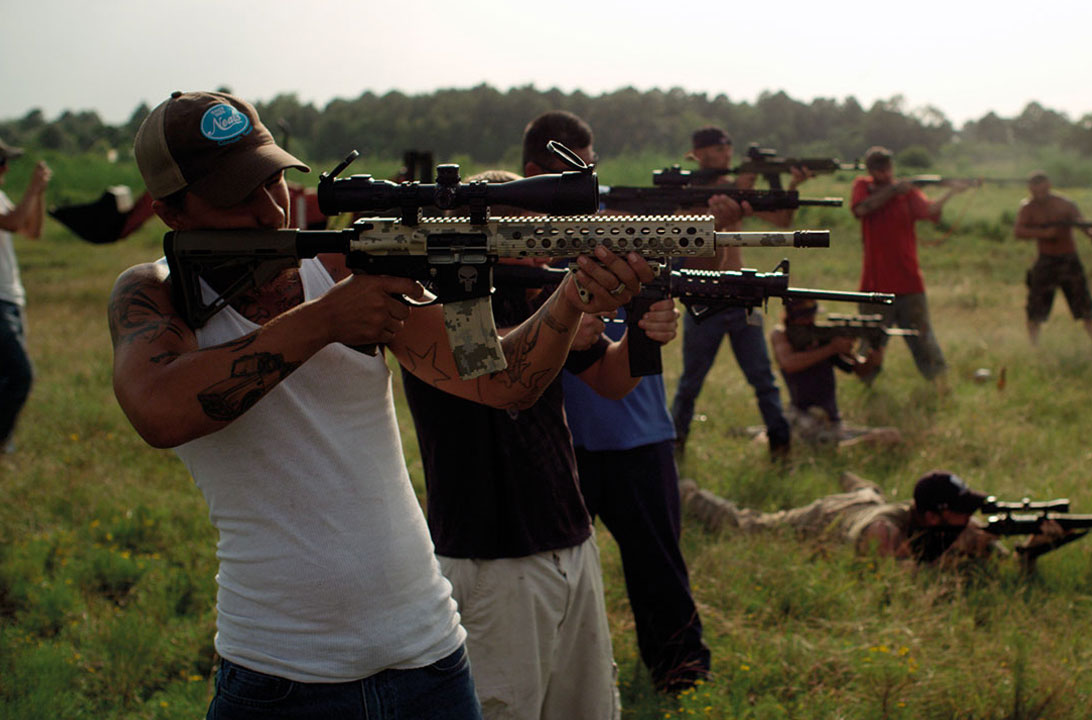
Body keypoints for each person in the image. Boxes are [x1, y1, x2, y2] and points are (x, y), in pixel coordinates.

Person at [108, 91, 653, 720]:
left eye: (273, 182)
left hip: (427, 653)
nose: (268, 211)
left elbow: (500, 381)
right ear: (169, 213)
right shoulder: (153, 294)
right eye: (236, 196)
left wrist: (573, 295)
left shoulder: (343, 264)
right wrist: (326, 320)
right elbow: (159, 411)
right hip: (278, 671)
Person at [400, 155, 683, 717]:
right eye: (530, 239)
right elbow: (495, 369)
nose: (543, 255)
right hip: (492, 558)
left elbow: (610, 381)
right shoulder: (443, 292)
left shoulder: (536, 293)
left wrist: (646, 331)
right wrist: (564, 314)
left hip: (567, 538)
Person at [521, 110, 713, 695]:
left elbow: (695, 264)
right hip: (561, 438)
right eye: (567, 171)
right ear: (534, 173)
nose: (583, 183)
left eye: (591, 167)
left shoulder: (618, 225)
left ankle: (681, 679)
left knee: (658, 569)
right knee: (553, 580)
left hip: (634, 428)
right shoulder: (512, 240)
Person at [670, 126, 804, 459]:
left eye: (728, 148)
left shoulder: (735, 188)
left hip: (741, 297)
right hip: (704, 299)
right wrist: (731, 195)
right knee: (690, 385)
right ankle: (673, 448)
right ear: (698, 154)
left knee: (764, 381)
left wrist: (787, 184)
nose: (726, 154)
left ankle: (781, 448)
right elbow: (683, 234)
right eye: (717, 149)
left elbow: (783, 219)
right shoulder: (688, 191)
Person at [682, 470, 1071, 572]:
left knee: (871, 492)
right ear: (934, 515)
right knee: (749, 527)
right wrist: (955, 556)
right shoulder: (883, 534)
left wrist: (1035, 548)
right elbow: (906, 585)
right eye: (960, 510)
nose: (969, 518)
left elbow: (1003, 560)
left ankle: (858, 482)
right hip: (831, 517)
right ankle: (688, 494)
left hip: (871, 501)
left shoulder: (951, 524)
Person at [850, 146, 971, 389]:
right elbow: (861, 209)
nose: (884, 173)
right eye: (878, 169)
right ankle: (866, 384)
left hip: (908, 281)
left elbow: (929, 210)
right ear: (870, 170)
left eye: (887, 168)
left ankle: (939, 384)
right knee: (871, 340)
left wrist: (951, 193)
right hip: (876, 283)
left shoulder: (907, 193)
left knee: (922, 336)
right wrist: (893, 191)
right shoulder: (864, 186)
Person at [768, 298, 901, 447]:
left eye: (811, 316)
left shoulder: (825, 338)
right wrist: (831, 348)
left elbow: (860, 371)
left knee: (891, 435)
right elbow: (789, 364)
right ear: (791, 317)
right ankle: (839, 447)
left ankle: (840, 445)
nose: (810, 321)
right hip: (803, 416)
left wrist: (872, 359)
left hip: (831, 421)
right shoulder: (782, 335)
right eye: (804, 317)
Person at [1012, 171, 1092, 357]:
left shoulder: (1065, 204)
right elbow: (1019, 231)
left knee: (1085, 308)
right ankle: (1034, 349)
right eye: (1035, 192)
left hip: (1069, 260)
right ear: (1030, 190)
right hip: (1045, 261)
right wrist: (1044, 234)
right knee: (1035, 309)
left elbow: (1083, 226)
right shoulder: (1027, 208)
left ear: (1049, 186)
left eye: (1043, 190)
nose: (1039, 195)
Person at [0, 138, 51, 454]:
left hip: (9, 299)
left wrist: (40, 193)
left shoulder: (1, 196)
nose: (5, 169)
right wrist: (32, 187)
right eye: (2, 163)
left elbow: (31, 230)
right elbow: (14, 222)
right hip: (0, 302)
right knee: (20, 375)